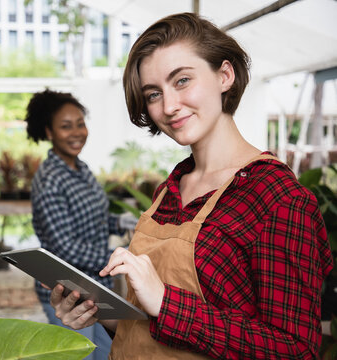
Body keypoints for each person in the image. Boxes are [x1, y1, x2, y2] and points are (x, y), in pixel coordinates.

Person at [48, 12, 334, 359]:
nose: (168, 106)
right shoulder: (169, 191)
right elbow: (147, 325)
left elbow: (295, 350)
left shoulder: (277, 198)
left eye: (182, 80)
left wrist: (168, 303)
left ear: (224, 75)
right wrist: (100, 314)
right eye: (154, 94)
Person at [24, 89, 138, 360]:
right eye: (65, 126)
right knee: (80, 356)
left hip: (96, 287)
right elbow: (65, 248)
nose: (76, 132)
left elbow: (94, 217)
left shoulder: (81, 168)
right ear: (49, 132)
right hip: (67, 291)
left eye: (80, 124)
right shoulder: (50, 180)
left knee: (110, 353)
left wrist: (119, 221)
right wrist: (118, 259)